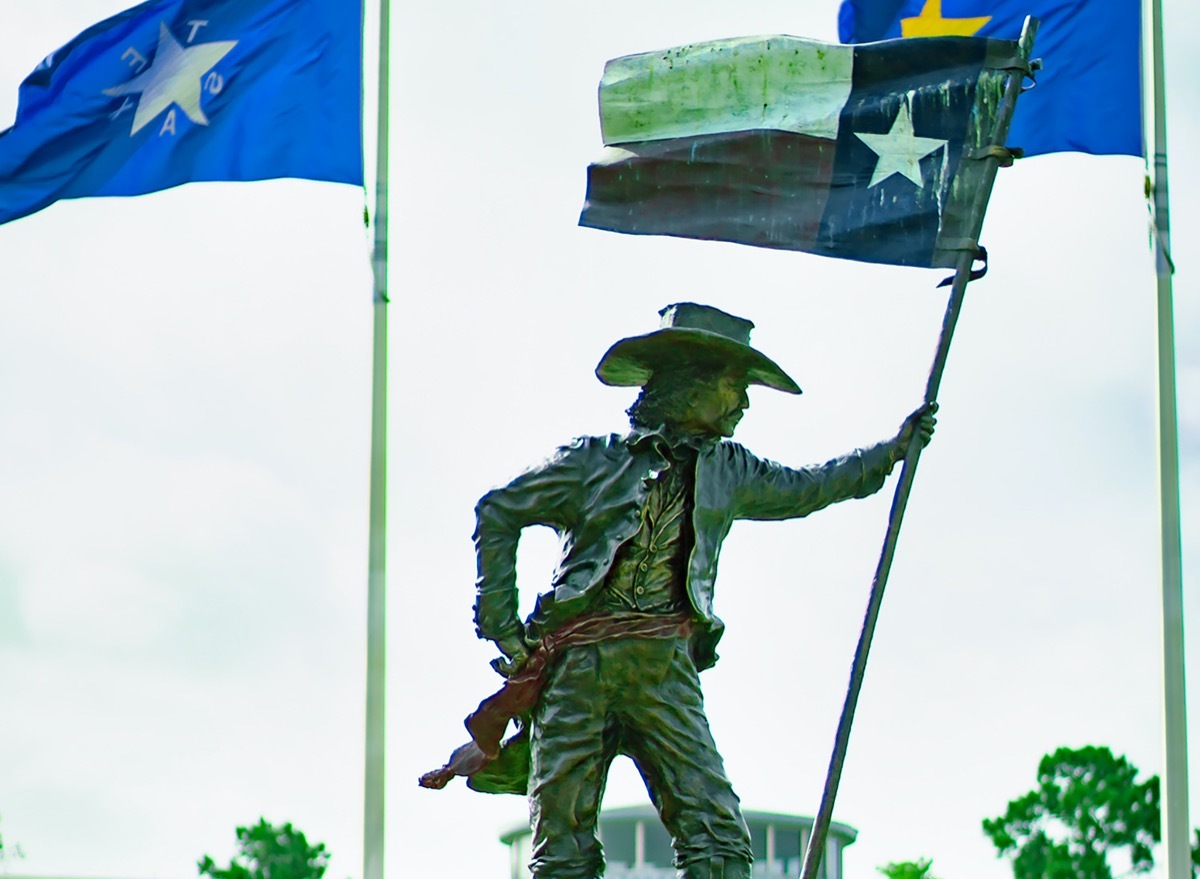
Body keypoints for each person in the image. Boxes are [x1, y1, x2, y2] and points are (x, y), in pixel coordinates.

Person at [421, 302, 936, 879]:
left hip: (663, 670)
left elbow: (809, 486)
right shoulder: (593, 461)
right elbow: (499, 510)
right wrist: (501, 625)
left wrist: (891, 451)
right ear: (689, 386)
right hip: (574, 671)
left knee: (716, 838)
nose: (742, 403)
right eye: (733, 386)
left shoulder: (730, 470)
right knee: (562, 851)